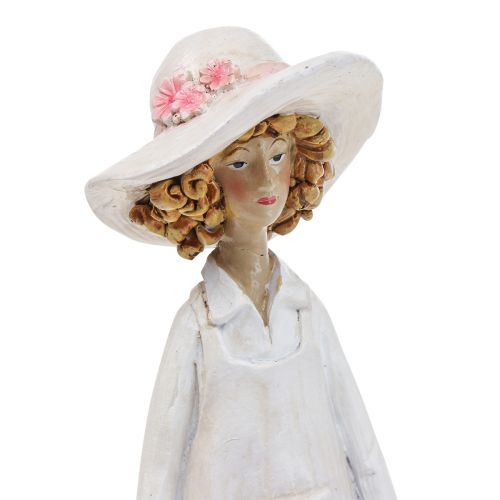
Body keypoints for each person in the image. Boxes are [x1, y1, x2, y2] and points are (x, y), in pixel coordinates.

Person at [85, 26, 397, 500]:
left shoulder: (305, 310)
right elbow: (163, 465)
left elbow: (359, 438)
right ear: (201, 185)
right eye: (238, 163)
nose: (266, 180)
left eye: (278, 155)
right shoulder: (199, 325)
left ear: (300, 160)